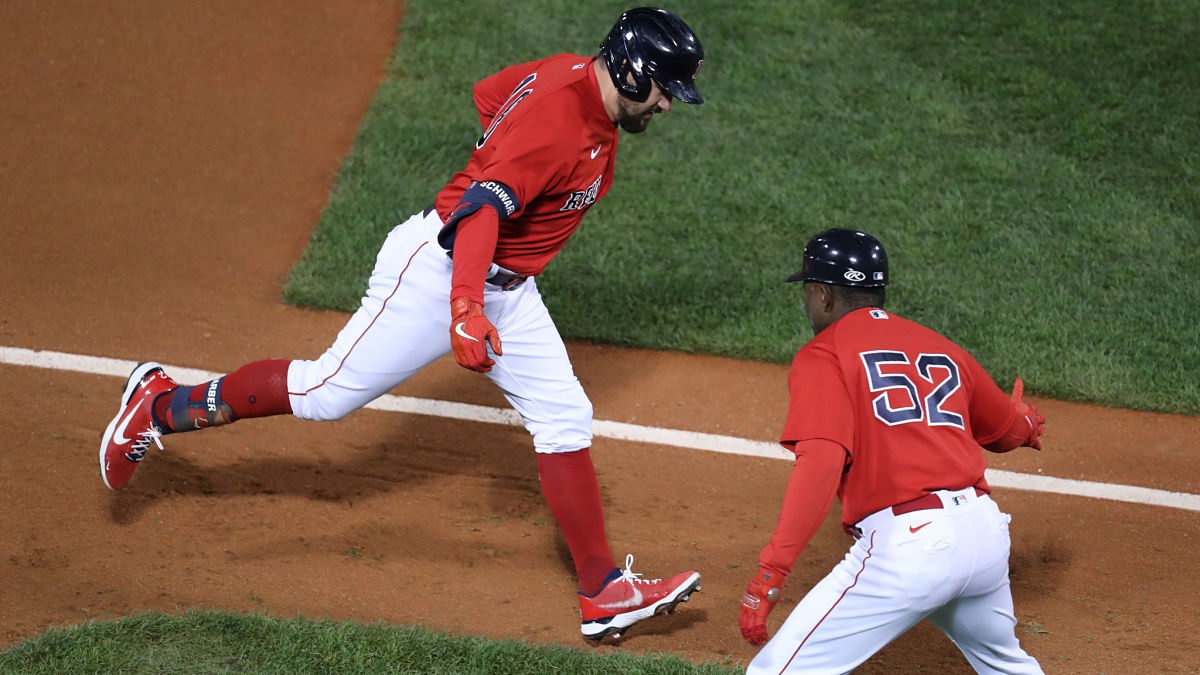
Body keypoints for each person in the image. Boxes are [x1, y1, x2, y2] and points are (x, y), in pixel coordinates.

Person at [99, 6, 705, 641]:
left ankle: (603, 591)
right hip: (441, 272)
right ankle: (160, 404)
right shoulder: (560, 121)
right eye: (665, 90)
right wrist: (465, 306)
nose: (665, 107)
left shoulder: (578, 85)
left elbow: (491, 93)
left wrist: (498, 153)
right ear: (634, 75)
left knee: (563, 417)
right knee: (325, 393)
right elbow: (479, 210)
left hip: (509, 288)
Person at [738, 228, 1046, 673]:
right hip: (985, 536)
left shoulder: (823, 354)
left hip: (913, 550)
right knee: (1006, 665)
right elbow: (1005, 430)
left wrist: (774, 569)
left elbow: (821, 462)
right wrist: (1026, 423)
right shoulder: (940, 345)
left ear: (823, 294)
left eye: (808, 291)